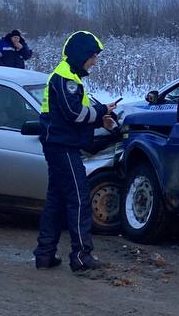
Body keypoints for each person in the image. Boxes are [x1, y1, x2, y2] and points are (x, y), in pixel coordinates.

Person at [33, 30, 118, 274]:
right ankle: (81, 257)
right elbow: (75, 114)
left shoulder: (66, 76)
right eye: (92, 57)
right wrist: (101, 112)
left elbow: (74, 113)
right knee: (79, 200)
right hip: (64, 147)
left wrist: (100, 115)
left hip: (58, 145)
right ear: (81, 55)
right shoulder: (66, 78)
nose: (94, 62)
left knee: (56, 201)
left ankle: (45, 254)